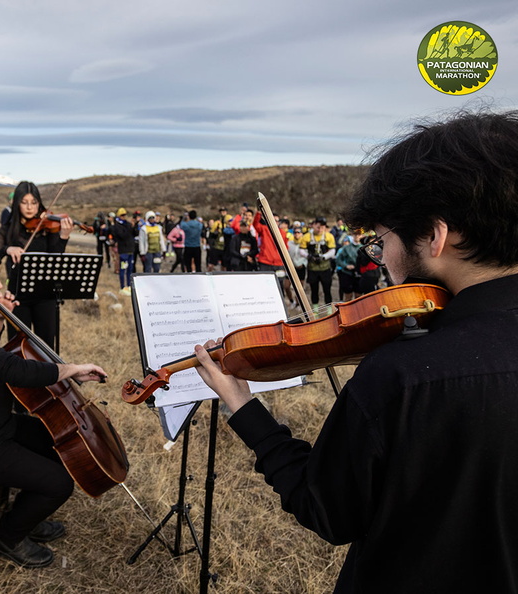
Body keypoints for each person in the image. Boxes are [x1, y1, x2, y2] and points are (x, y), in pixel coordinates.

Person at [193, 110, 518, 593]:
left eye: (381, 241)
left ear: (435, 236)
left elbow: (326, 511)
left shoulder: (401, 375)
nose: (382, 259)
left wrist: (243, 405)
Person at [0, 233, 107, 569]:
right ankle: (7, 537)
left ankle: (27, 516)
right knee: (59, 484)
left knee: (59, 443)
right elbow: (10, 368)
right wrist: (70, 369)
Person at [0, 181, 73, 348]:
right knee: (18, 344)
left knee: (46, 345)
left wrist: (64, 237)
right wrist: (7, 249)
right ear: (17, 204)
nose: (29, 207)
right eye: (24, 202)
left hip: (45, 293)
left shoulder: (47, 228)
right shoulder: (7, 229)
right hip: (16, 295)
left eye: (34, 202)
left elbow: (55, 257)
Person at [299, 217, 336, 308]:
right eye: (318, 227)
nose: (320, 230)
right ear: (313, 225)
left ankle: (329, 309)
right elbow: (301, 250)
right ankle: (315, 310)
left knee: (327, 289)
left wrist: (323, 257)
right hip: (312, 268)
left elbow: (332, 251)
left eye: (322, 227)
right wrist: (309, 256)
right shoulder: (307, 236)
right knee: (314, 290)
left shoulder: (329, 236)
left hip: (325, 268)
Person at [109, 207, 135, 294]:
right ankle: (122, 287)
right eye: (122, 215)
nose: (124, 217)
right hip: (123, 250)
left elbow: (134, 234)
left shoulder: (128, 224)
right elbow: (122, 236)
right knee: (123, 268)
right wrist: (129, 228)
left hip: (130, 249)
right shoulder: (117, 226)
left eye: (125, 215)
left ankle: (129, 285)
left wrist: (134, 226)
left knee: (130, 269)